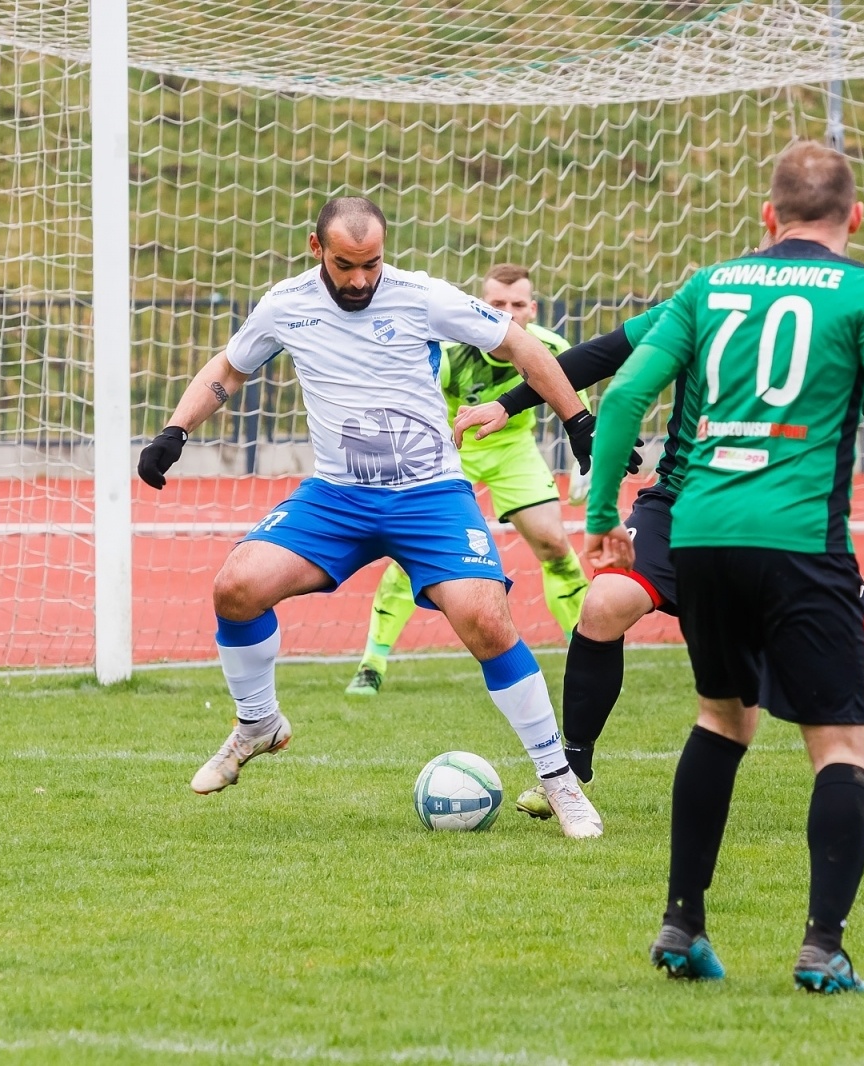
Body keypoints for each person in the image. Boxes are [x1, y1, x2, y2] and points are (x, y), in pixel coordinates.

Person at [137, 195, 604, 838]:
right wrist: (175, 429)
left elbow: (521, 346)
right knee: (236, 587)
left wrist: (578, 421)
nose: (360, 279)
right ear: (316, 249)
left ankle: (558, 781)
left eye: (372, 264)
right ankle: (258, 724)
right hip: (338, 496)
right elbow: (229, 368)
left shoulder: (422, 296)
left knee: (486, 622)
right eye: (345, 265)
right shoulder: (285, 304)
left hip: (430, 494)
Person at [589, 140, 864, 989]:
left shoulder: (712, 284)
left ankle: (682, 928)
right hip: (798, 541)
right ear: (854, 216)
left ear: (767, 217)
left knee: (721, 720)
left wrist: (602, 519)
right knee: (839, 744)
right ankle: (823, 947)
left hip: (701, 533)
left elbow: (627, 395)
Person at [460, 290, 864, 832]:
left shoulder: (834, 331)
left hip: (790, 520)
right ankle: (570, 771)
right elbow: (603, 353)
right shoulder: (706, 305)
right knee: (604, 603)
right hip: (683, 506)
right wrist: (507, 403)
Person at [344, 264, 590, 696]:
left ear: (532, 309)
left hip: (514, 451)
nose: (509, 313)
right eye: (498, 304)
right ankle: (372, 662)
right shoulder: (451, 351)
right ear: (481, 306)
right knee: (407, 556)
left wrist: (584, 463)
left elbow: (576, 403)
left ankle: (588, 650)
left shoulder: (550, 347)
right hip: (453, 449)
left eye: (518, 304)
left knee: (554, 544)